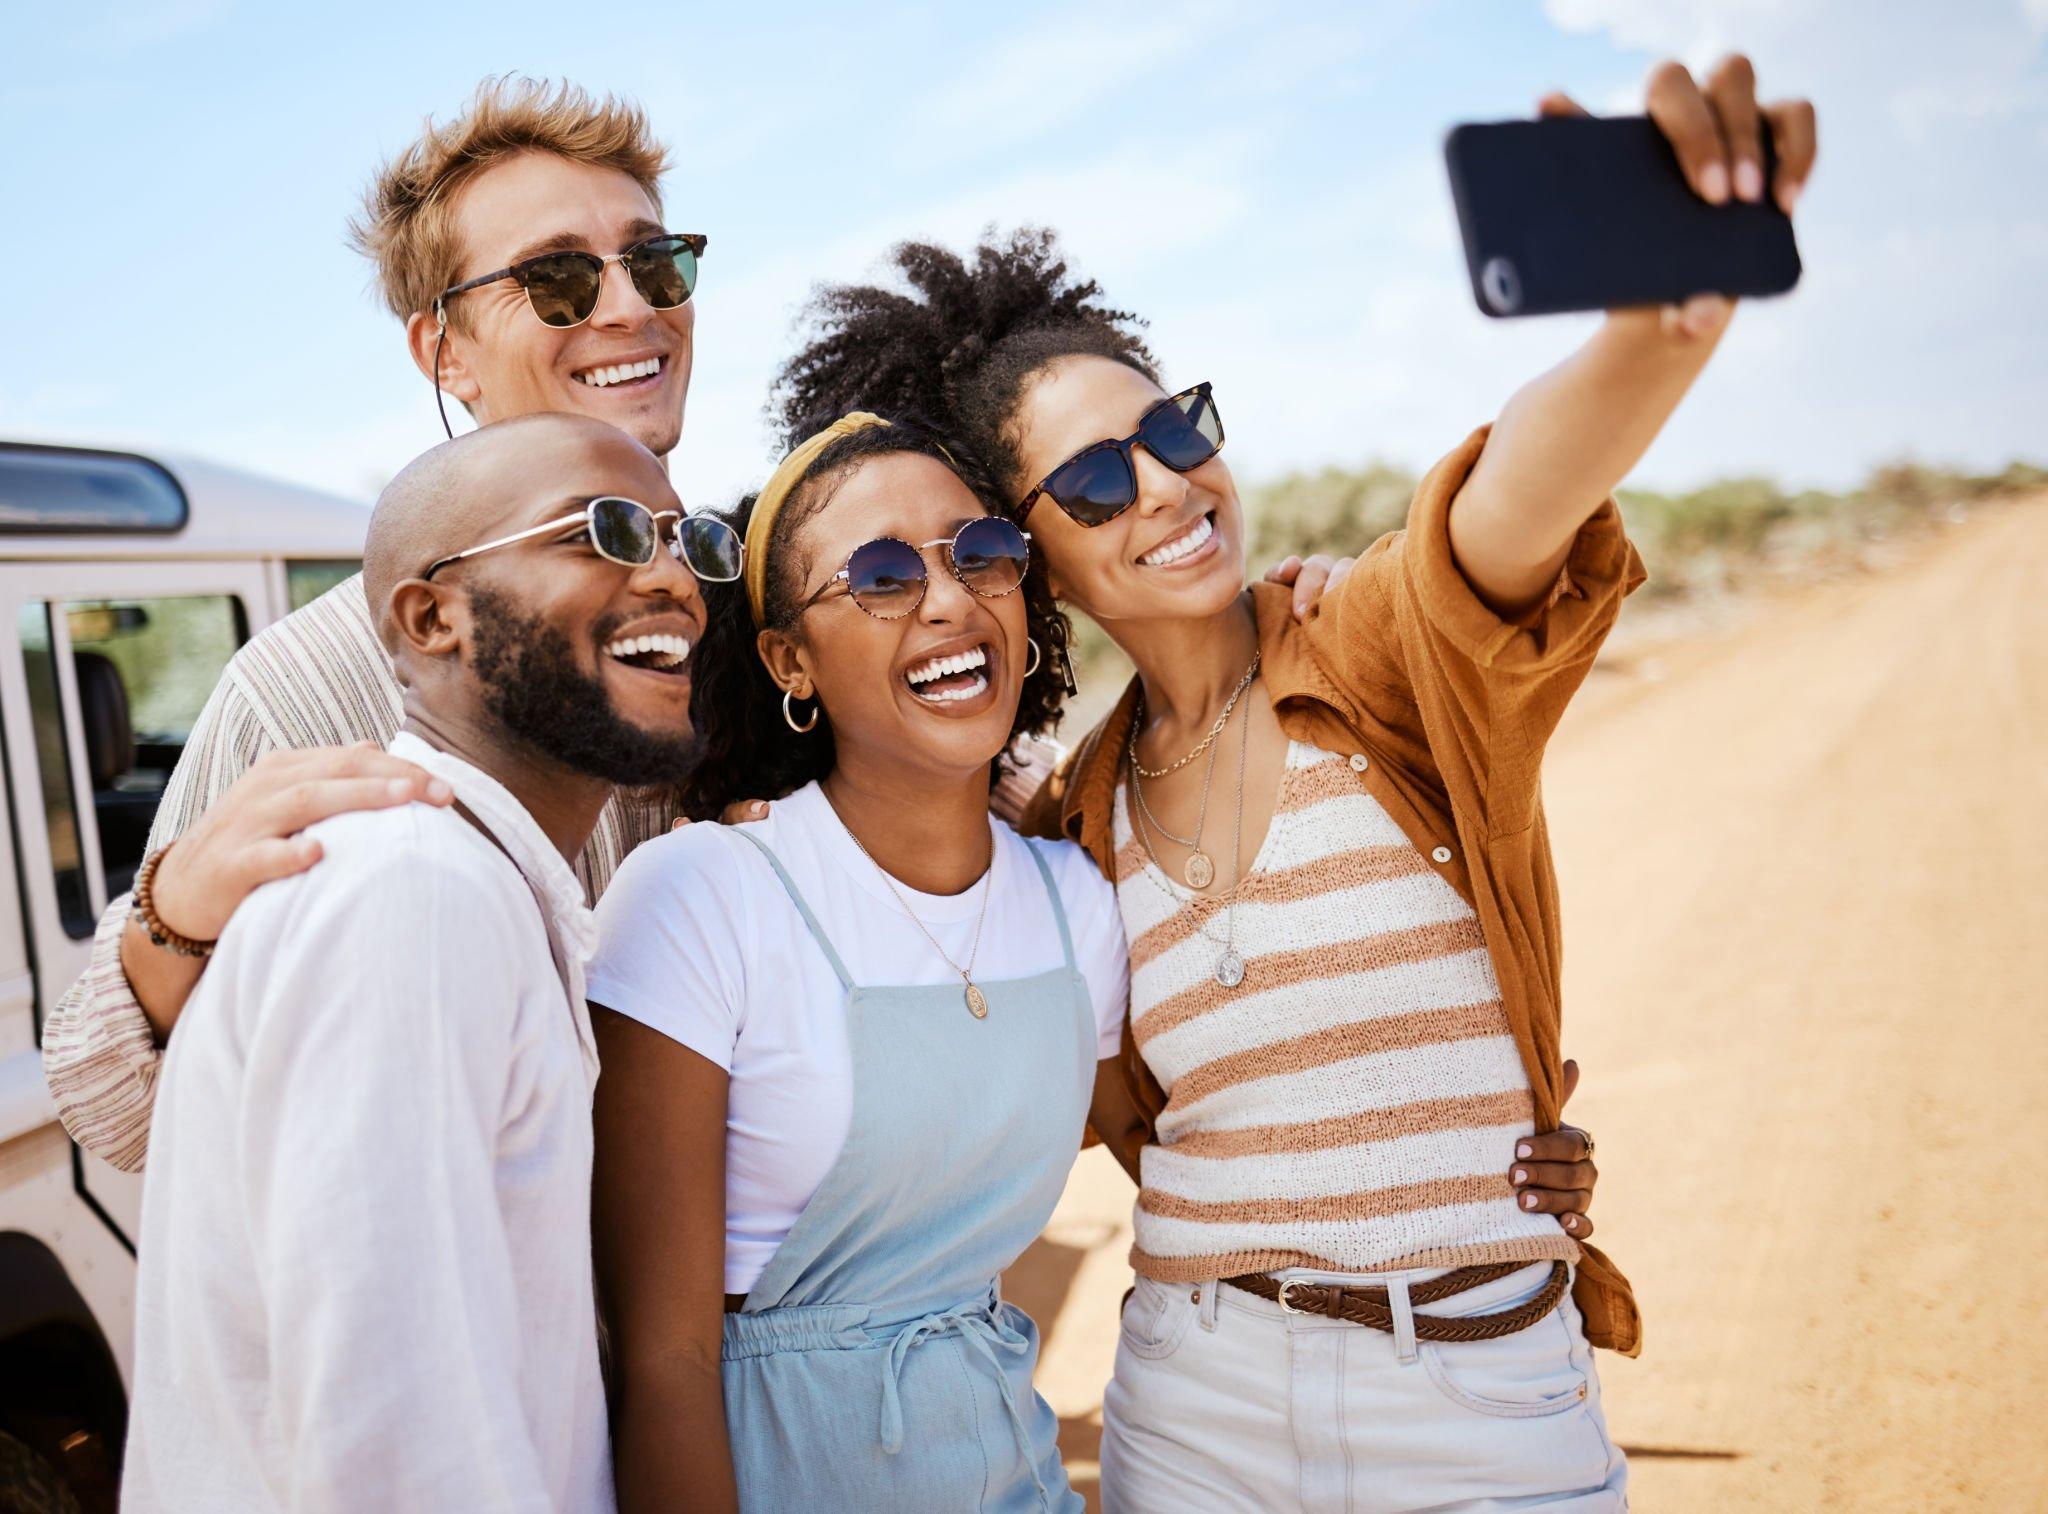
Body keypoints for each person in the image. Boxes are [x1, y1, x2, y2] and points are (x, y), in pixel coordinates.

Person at [763, 53, 1816, 1512]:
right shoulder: (1075, 819)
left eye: (1176, 432)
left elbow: (1515, 495)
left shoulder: (1377, 651)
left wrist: (1657, 326)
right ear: (1028, 557)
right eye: (1092, 486)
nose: (1165, 490)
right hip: (1197, 1404)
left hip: (1485, 1395)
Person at [41, 76, 715, 1170]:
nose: (630, 305)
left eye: (654, 261)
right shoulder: (307, 684)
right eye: (554, 278)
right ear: (443, 353)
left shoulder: (742, 599)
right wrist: (167, 922)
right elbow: (111, 1109)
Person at [121, 413, 704, 1512]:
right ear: (431, 616)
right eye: (606, 533)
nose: (675, 577)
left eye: (687, 540)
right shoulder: (411, 893)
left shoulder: (467, 879)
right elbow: (394, 1443)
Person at [586, 415, 1125, 1512]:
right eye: (880, 573)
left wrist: (1493, 1163)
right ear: (790, 660)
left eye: (978, 553)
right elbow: (663, 1361)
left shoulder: (1078, 907)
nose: (946, 599)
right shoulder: (705, 895)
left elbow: (1197, 1165)